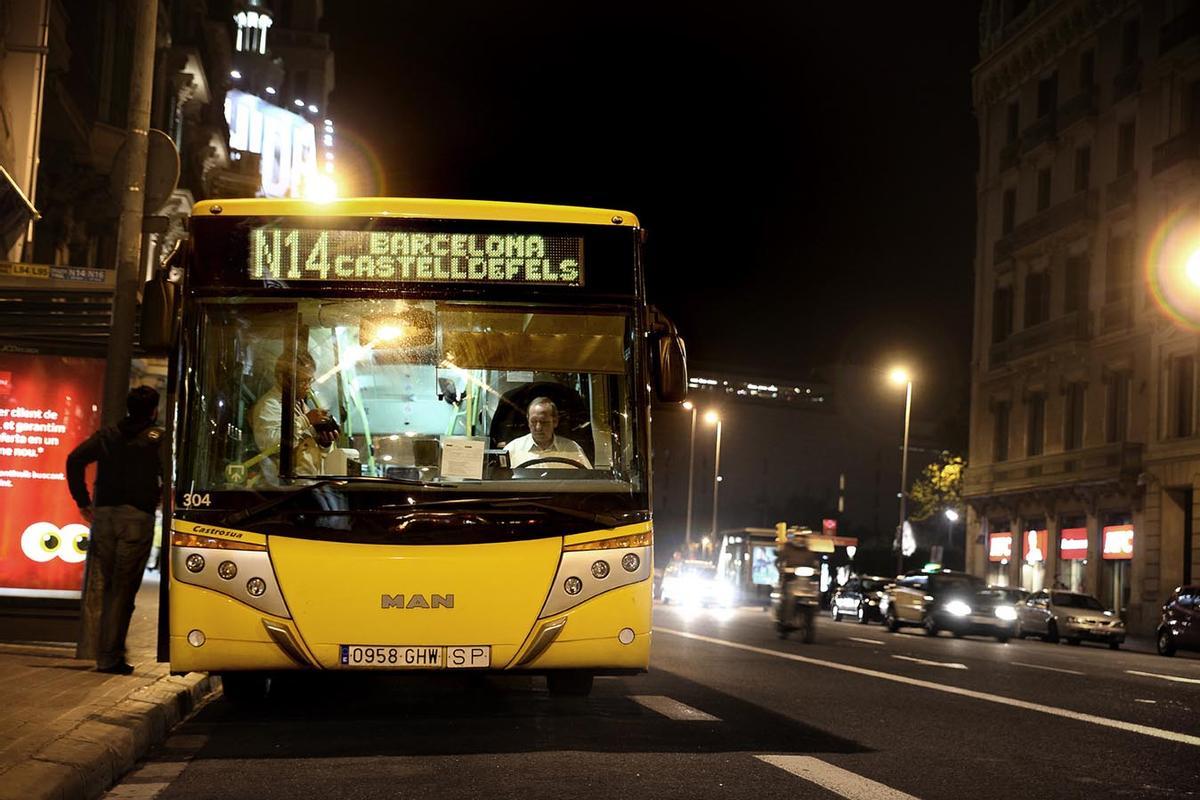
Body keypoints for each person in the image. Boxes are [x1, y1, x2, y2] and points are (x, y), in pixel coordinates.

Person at [66, 386, 164, 675]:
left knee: (106, 586)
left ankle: (105, 653)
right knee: (123, 590)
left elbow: (74, 459)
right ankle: (110, 656)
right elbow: (170, 474)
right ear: (154, 410)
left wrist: (83, 501)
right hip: (137, 519)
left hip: (105, 517)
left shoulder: (108, 435)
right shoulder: (156, 438)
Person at [250, 351, 337, 480]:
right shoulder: (269, 406)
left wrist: (324, 443)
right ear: (282, 378)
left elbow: (306, 449)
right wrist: (306, 420)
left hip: (306, 484)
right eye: (302, 381)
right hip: (283, 487)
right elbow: (270, 444)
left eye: (310, 380)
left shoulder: (299, 404)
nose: (308, 387)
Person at [503, 396, 592, 468]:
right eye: (533, 422)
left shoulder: (572, 449)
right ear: (528, 421)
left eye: (544, 422)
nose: (538, 428)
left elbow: (588, 480)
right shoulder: (512, 450)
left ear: (555, 422)